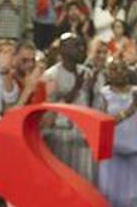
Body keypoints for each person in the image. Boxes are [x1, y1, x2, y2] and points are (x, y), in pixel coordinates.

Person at [41, 34, 96, 183]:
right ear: (63, 49)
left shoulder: (87, 72)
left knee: (84, 180)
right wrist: (76, 87)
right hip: (60, 133)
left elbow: (91, 104)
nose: (81, 49)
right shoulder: (51, 74)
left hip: (82, 132)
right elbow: (50, 107)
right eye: (75, 46)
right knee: (62, 180)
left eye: (81, 46)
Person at [93, 60, 137, 207]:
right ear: (108, 73)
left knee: (133, 196)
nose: (119, 72)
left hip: (133, 150)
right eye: (114, 69)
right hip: (111, 152)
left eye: (123, 68)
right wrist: (129, 111)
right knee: (109, 195)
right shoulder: (103, 93)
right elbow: (102, 123)